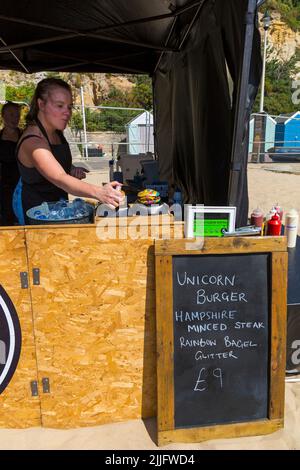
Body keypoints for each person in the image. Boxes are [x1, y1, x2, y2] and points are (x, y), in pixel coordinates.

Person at [16, 77, 123, 223]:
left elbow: (54, 163)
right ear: (41, 104)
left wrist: (71, 169)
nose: (67, 112)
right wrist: (99, 192)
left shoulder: (56, 131)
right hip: (37, 212)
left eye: (69, 107)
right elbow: (59, 177)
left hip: (57, 205)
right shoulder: (33, 141)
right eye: (60, 106)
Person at [0, 102, 22, 225]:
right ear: (3, 116)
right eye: (11, 114)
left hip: (21, 184)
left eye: (17, 115)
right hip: (2, 186)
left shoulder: (24, 136)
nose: (15, 118)